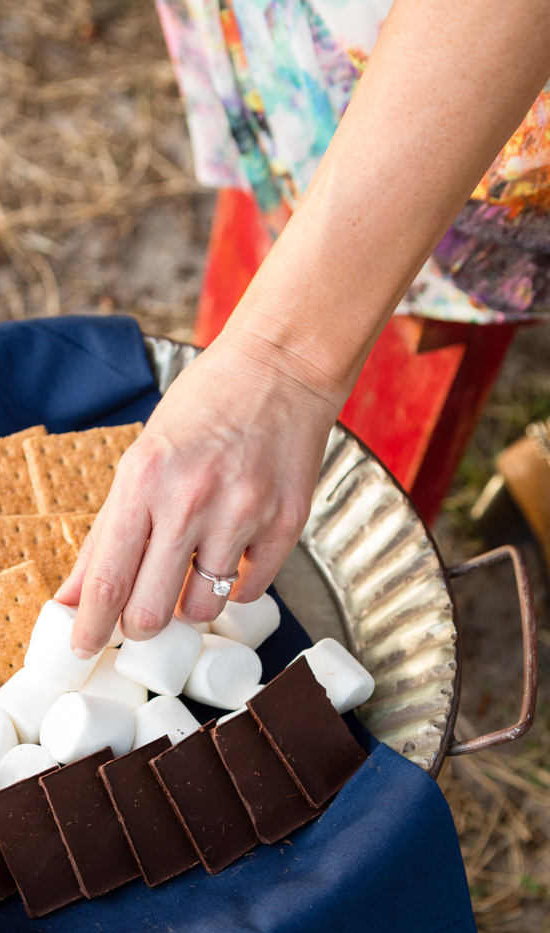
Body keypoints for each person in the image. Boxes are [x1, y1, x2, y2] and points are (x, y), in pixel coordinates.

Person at [58, 0, 550, 657]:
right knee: (284, 198)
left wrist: (282, 359)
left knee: (411, 333)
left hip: (459, 77)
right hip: (293, 42)